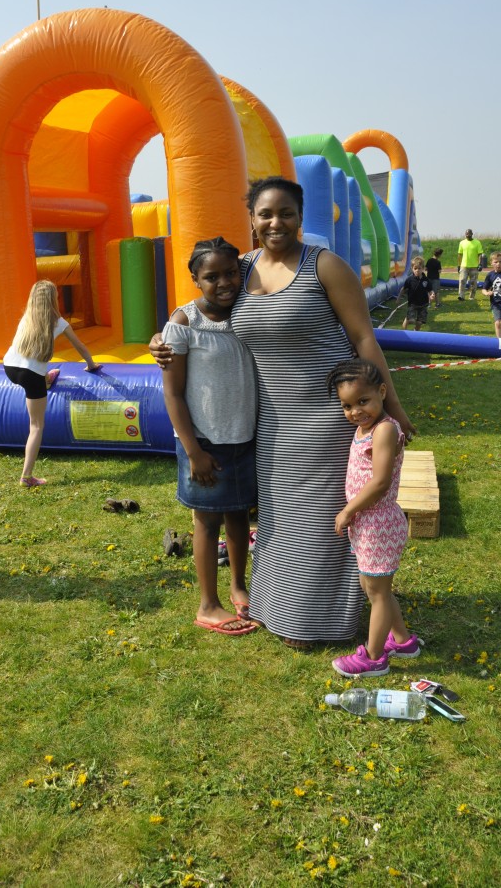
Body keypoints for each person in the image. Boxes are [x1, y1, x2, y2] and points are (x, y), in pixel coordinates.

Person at [151, 176, 415, 648]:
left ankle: (318, 623)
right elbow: (201, 306)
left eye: (286, 213)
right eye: (265, 214)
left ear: (300, 216)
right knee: (278, 520)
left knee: (321, 519)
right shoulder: (240, 267)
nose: (276, 222)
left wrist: (392, 409)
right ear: (251, 219)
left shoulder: (325, 266)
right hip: (270, 422)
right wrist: (165, 334)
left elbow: (364, 340)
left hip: (326, 418)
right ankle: (281, 610)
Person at [161, 236, 257, 636]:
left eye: (232, 273)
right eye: (211, 276)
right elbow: (173, 391)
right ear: (195, 279)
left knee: (238, 516)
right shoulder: (184, 323)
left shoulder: (248, 311)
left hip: (246, 437)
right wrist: (193, 450)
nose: (224, 282)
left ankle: (238, 586)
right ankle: (207, 604)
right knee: (207, 520)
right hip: (204, 444)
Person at [327, 358, 421, 676]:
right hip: (367, 526)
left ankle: (374, 657)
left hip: (378, 524)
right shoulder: (364, 428)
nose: (355, 411)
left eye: (363, 401)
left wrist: (348, 510)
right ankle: (404, 641)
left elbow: (380, 482)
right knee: (374, 588)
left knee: (377, 593)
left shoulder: (383, 430)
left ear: (382, 392)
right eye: (347, 405)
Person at [3, 279, 100, 487]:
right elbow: (80, 347)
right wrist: (91, 365)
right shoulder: (59, 322)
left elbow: (29, 352)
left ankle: (47, 379)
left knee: (38, 376)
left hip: (9, 368)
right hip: (31, 375)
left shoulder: (26, 317)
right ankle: (27, 477)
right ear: (53, 300)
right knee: (36, 425)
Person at [396, 256, 435, 331]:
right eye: (415, 268)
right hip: (412, 304)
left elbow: (430, 290)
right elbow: (403, 289)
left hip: (423, 304)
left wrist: (432, 294)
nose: (417, 270)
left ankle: (415, 333)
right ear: (412, 269)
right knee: (411, 320)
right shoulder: (409, 280)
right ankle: (404, 331)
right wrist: (398, 298)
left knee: (420, 322)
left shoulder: (426, 280)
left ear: (423, 269)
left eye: (419, 268)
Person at [457, 229, 484, 300]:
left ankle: (471, 296)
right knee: (462, 280)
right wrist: (459, 265)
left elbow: (480, 254)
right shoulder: (462, 243)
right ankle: (461, 296)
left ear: (472, 234)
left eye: (469, 234)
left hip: (474, 266)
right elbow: (459, 255)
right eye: (466, 234)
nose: (467, 235)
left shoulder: (477, 242)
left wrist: (480, 264)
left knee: (473, 282)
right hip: (464, 266)